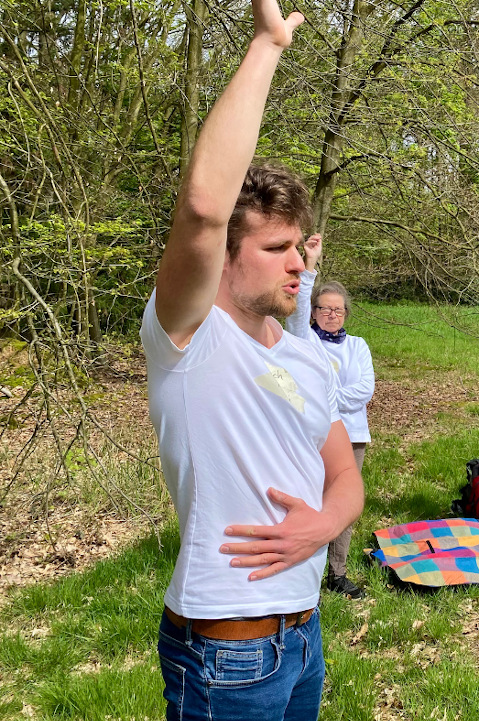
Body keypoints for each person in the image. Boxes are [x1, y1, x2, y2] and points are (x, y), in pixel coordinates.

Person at [139, 3, 363, 719]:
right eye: (276, 248)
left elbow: (345, 475)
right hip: (227, 654)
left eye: (300, 247)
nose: (298, 264)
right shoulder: (188, 337)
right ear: (227, 261)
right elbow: (205, 204)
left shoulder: (305, 358)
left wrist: (323, 526)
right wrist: (269, 45)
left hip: (303, 639)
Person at [285, 233, 375, 599]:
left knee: (342, 508)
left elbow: (364, 390)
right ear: (314, 311)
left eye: (337, 310)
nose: (331, 314)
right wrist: (310, 263)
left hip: (352, 436)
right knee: (308, 502)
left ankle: (336, 573)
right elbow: (298, 308)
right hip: (311, 436)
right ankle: (302, 572)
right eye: (324, 309)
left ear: (346, 314)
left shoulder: (358, 346)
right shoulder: (303, 340)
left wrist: (324, 395)